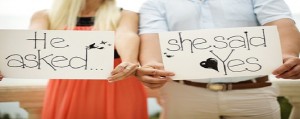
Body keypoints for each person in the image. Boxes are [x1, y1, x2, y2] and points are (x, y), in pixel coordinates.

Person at [137, 0, 300, 119]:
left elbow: (280, 22)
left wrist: (289, 55)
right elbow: (152, 35)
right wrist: (152, 64)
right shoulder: (155, 2)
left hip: (253, 92)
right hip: (183, 95)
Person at [29, 0, 148, 119]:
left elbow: (126, 34)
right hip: (66, 89)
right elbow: (32, 40)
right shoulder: (44, 16)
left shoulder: (125, 15)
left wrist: (129, 60)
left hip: (117, 82)